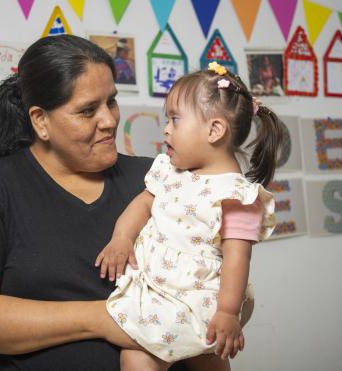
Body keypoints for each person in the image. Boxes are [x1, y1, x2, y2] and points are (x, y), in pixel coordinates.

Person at [0, 35, 187, 371]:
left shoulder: (156, 179)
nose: (108, 120)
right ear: (41, 121)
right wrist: (106, 318)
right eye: (87, 110)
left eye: (111, 101)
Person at [95, 61, 282, 370]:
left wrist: (227, 312)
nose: (166, 129)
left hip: (204, 300)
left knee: (142, 356)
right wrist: (122, 238)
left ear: (215, 130)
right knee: (165, 356)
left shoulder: (241, 197)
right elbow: (142, 204)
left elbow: (238, 258)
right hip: (158, 287)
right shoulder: (169, 171)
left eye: (175, 119)